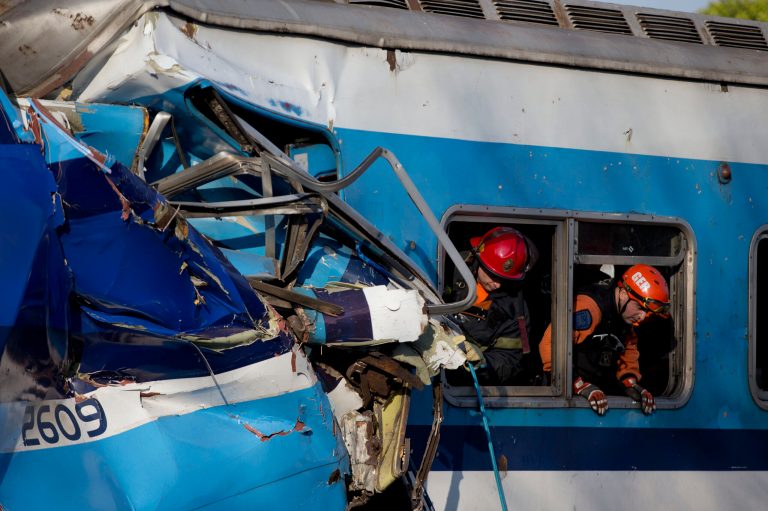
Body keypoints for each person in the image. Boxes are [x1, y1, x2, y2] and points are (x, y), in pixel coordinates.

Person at [539, 264, 670, 415]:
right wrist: (578, 385)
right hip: (564, 395)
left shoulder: (625, 317)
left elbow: (628, 348)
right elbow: (549, 344)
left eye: (647, 312)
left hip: (596, 392)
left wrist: (630, 382)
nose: (642, 317)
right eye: (640, 308)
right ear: (623, 294)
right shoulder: (589, 307)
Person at [451, 226, 539, 385]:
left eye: (504, 279)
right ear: (479, 259)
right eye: (493, 275)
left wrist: (482, 362)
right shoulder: (447, 268)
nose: (497, 284)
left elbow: (511, 359)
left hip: (461, 382)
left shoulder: (516, 309)